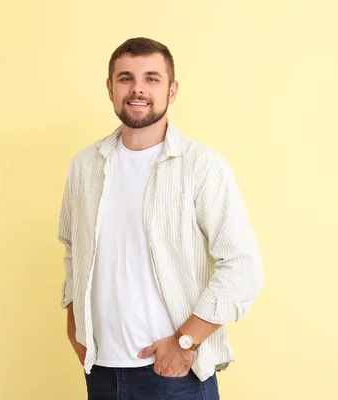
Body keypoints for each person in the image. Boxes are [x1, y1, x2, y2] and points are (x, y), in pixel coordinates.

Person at [58, 37, 264, 400]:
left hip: (175, 376)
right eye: (126, 78)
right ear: (110, 89)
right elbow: (74, 249)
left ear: (172, 90)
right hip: (102, 372)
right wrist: (75, 327)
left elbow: (242, 265)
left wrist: (186, 341)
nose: (138, 89)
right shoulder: (85, 166)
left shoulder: (201, 166)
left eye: (152, 78)